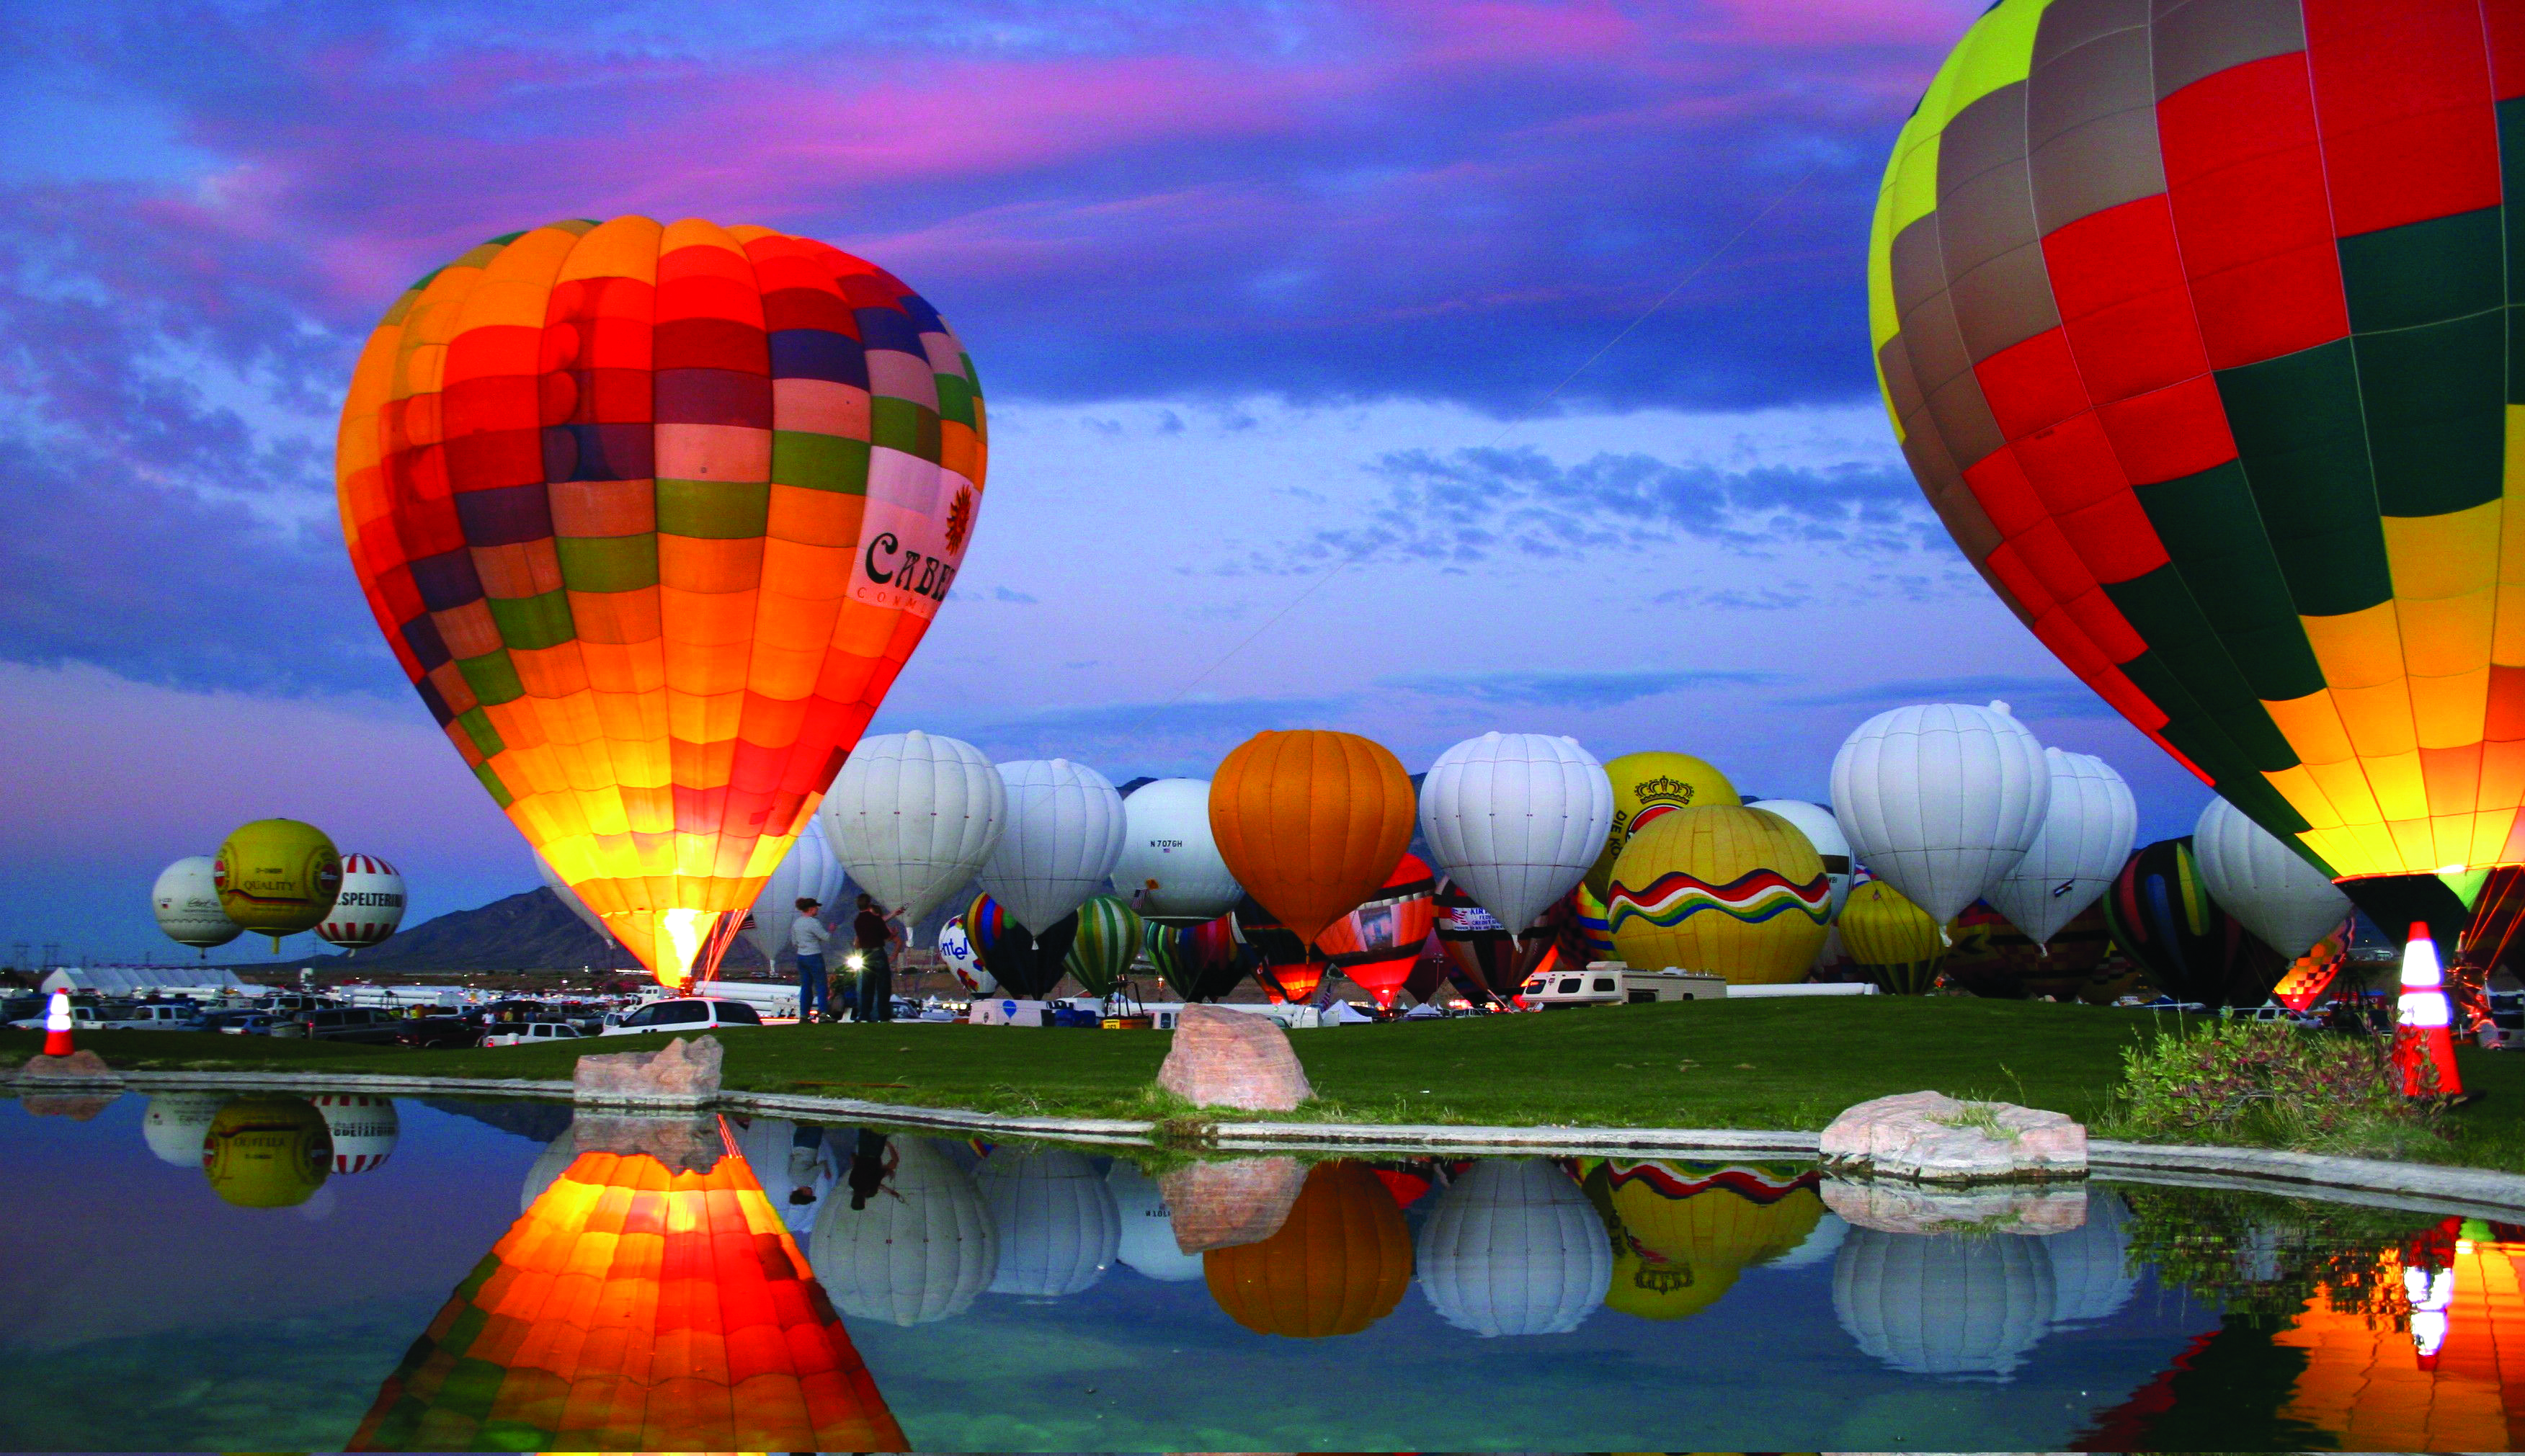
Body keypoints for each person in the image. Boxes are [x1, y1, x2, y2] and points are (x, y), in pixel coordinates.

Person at [852, 893, 902, 1022]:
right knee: (883, 987)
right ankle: (884, 1016)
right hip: (878, 953)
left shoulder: (857, 921)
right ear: (869, 904)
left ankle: (864, 1015)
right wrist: (892, 934)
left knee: (867, 987)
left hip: (865, 954)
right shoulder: (876, 919)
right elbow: (886, 936)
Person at [791, 897, 832, 1022]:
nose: (817, 909)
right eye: (815, 907)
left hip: (801, 956)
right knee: (821, 985)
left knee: (806, 986)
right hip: (814, 956)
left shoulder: (797, 923)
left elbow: (794, 942)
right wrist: (831, 930)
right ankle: (823, 1013)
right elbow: (826, 937)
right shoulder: (813, 922)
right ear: (810, 909)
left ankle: (804, 1015)